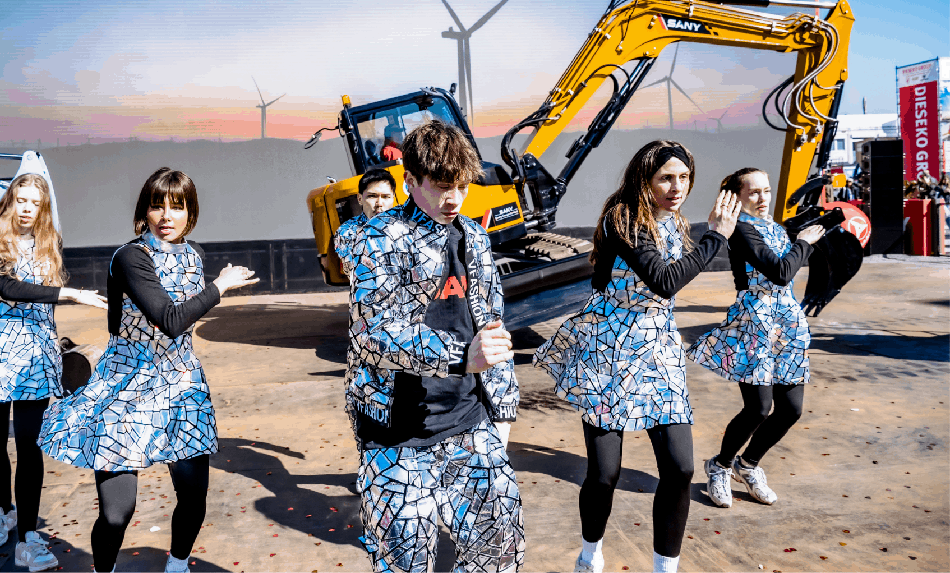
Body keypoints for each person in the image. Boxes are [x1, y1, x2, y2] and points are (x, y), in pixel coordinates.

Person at [534, 140, 740, 573]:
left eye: (684, 178)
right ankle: (590, 554)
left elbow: (666, 287)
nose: (677, 187)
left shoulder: (674, 221)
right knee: (605, 473)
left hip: (659, 348)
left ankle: (666, 568)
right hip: (610, 349)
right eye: (666, 178)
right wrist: (716, 236)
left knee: (680, 469)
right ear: (644, 179)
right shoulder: (623, 217)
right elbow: (664, 280)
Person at [38, 168, 257, 573]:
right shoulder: (131, 257)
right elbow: (170, 319)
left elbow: (182, 319)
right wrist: (220, 286)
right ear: (144, 210)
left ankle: (177, 564)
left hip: (181, 384)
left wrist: (212, 288)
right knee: (117, 513)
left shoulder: (194, 254)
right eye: (157, 206)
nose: (166, 216)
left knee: (193, 498)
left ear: (191, 213)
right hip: (126, 385)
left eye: (177, 206)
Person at [348, 119, 523, 572]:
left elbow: (492, 325)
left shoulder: (474, 237)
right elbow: (373, 333)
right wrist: (460, 357)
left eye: (462, 187)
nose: (454, 199)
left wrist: (503, 408)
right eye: (443, 187)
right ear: (410, 180)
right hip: (396, 435)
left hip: (470, 422)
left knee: (498, 556)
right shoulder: (378, 239)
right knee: (405, 564)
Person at [0, 174, 108, 572]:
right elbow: (7, 288)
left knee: (29, 444)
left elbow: (43, 301)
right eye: (21, 200)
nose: (27, 208)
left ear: (43, 207)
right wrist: (70, 293)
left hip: (34, 351)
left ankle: (28, 536)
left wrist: (55, 345)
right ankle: (2, 511)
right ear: (11, 200)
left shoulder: (50, 240)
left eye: (35, 202)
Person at [688, 168, 826, 509]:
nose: (763, 198)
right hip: (756, 324)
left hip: (787, 324)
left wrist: (807, 239)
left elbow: (789, 267)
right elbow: (780, 272)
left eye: (766, 190)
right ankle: (720, 465)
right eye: (754, 192)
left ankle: (748, 465)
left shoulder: (775, 228)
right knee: (758, 408)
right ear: (737, 197)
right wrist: (804, 243)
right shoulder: (740, 230)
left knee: (790, 409)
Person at [333, 167, 398, 276]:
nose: (379, 203)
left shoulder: (407, 227)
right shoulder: (347, 231)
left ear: (393, 198)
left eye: (386, 197)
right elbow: (354, 272)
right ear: (360, 199)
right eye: (372, 196)